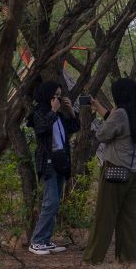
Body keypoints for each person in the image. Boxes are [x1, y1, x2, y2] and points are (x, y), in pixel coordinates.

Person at [83, 78, 136, 265]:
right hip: (134, 171)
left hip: (115, 170)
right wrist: (99, 107)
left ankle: (92, 258)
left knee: (105, 216)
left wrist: (101, 114)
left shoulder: (119, 114)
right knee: (129, 217)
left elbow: (103, 134)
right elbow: (118, 123)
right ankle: (127, 258)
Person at [27, 80, 80, 255]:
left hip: (60, 162)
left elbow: (74, 127)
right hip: (47, 162)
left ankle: (46, 240)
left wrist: (71, 111)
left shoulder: (58, 115)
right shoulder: (39, 113)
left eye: (59, 95)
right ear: (47, 96)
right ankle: (37, 241)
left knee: (55, 203)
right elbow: (41, 129)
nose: (57, 98)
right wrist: (53, 110)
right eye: (54, 95)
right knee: (50, 202)